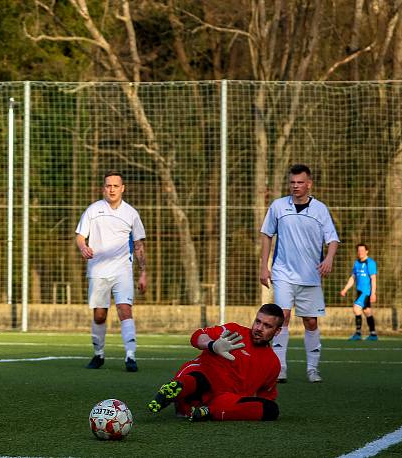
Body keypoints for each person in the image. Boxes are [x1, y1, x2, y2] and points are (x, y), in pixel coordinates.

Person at [260, 163, 339, 384]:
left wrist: (329, 258)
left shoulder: (320, 209)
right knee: (282, 317)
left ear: (309, 184)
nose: (295, 186)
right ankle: (280, 368)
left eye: (300, 182)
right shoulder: (278, 206)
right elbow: (266, 235)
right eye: (292, 182)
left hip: (310, 276)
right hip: (283, 273)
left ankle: (312, 369)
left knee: (311, 322)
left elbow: (332, 239)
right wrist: (263, 266)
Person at [147, 303, 285, 422]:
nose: (259, 328)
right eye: (258, 321)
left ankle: (207, 412)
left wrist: (251, 408)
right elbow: (197, 336)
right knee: (198, 378)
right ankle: (175, 391)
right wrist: (212, 345)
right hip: (199, 382)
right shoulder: (234, 332)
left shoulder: (273, 364)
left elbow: (266, 397)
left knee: (271, 409)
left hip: (223, 399)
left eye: (267, 326)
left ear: (277, 331)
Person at [75, 170, 146, 372]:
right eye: (108, 185)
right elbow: (80, 236)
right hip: (97, 271)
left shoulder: (131, 214)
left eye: (116, 185)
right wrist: (83, 247)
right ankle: (99, 355)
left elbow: (139, 244)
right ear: (103, 188)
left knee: (125, 310)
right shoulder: (93, 210)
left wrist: (143, 272)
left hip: (123, 271)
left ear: (122, 188)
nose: (112, 189)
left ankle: (130, 356)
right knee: (99, 315)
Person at [340, 243, 378, 341]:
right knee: (367, 311)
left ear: (366, 251)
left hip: (366, 292)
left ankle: (358, 334)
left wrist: (373, 293)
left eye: (362, 250)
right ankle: (373, 334)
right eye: (358, 250)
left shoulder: (370, 263)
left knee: (356, 309)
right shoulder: (357, 263)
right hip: (359, 291)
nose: (360, 252)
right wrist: (345, 289)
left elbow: (373, 279)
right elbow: (353, 278)